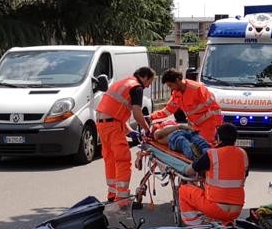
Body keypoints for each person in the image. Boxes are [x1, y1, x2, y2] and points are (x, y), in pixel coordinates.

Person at [95, 67, 155, 204]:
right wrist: (147, 129)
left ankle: (112, 194)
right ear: (144, 77)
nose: (149, 85)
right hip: (112, 125)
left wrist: (129, 131)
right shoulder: (136, 87)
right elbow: (137, 113)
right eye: (150, 81)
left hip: (102, 123)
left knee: (110, 158)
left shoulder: (124, 83)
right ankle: (122, 198)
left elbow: (113, 112)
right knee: (122, 159)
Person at [179, 124, 248, 226]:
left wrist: (184, 168)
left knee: (183, 190)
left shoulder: (212, 154)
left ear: (218, 138)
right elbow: (240, 176)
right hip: (236, 211)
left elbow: (189, 171)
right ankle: (225, 222)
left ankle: (195, 225)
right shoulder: (243, 154)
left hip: (216, 209)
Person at [151, 69, 222, 144]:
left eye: (170, 85)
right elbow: (168, 110)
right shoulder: (177, 93)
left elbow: (215, 109)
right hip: (193, 126)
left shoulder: (197, 89)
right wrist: (151, 117)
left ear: (177, 80)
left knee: (206, 148)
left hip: (207, 126)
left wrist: (218, 127)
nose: (171, 88)